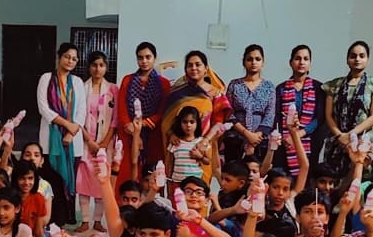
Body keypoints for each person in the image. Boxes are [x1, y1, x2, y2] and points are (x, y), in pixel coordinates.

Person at [158, 50, 230, 184]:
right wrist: (171, 133)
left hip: (203, 149)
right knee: (177, 190)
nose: (194, 68)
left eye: (198, 64)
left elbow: (218, 122)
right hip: (179, 148)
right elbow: (166, 120)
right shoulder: (177, 93)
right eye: (190, 65)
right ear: (185, 69)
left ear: (206, 68)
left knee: (200, 189)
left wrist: (205, 142)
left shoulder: (215, 93)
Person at [321, 41, 373, 179]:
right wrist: (340, 136)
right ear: (347, 59)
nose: (357, 59)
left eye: (362, 56)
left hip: (363, 141)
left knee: (360, 181)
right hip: (338, 140)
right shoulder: (334, 85)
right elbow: (328, 115)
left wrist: (351, 135)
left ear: (368, 60)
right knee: (333, 181)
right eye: (353, 56)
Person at [36, 43, 88, 203]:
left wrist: (71, 133)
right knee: (50, 183)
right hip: (50, 141)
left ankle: (68, 214)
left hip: (73, 141)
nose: (70, 61)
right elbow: (43, 108)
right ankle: (50, 215)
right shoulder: (46, 78)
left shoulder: (78, 82)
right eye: (67, 57)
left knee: (70, 182)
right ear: (59, 57)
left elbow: (82, 111)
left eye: (74, 59)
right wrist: (67, 125)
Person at [116, 41, 172, 183]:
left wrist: (144, 124)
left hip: (153, 133)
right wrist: (130, 125)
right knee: (127, 172)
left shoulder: (164, 83)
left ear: (155, 58)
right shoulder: (128, 80)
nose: (144, 61)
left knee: (152, 173)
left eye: (148, 57)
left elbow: (163, 109)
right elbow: (121, 106)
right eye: (140, 58)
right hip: (129, 132)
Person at [272, 44, 326, 183]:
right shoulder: (281, 88)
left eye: (305, 59)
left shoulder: (318, 88)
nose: (301, 62)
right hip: (285, 143)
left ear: (310, 63)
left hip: (310, 142)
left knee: (308, 180)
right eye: (297, 58)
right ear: (291, 62)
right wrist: (286, 137)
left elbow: (319, 118)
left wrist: (298, 135)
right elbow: (277, 117)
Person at [77, 50, 117, 233]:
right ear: (89, 67)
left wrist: (104, 143)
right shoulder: (81, 88)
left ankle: (98, 220)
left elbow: (115, 120)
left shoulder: (112, 89)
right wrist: (89, 141)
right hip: (86, 141)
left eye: (101, 65)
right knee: (84, 180)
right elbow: (77, 117)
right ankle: (85, 220)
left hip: (105, 143)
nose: (97, 69)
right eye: (94, 65)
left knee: (102, 179)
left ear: (106, 67)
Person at [224, 44, 276, 166]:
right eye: (249, 59)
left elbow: (270, 115)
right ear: (244, 62)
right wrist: (247, 134)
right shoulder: (234, 85)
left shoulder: (269, 87)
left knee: (257, 174)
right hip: (236, 139)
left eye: (257, 59)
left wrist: (256, 137)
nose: (253, 62)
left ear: (263, 63)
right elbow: (228, 112)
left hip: (260, 141)